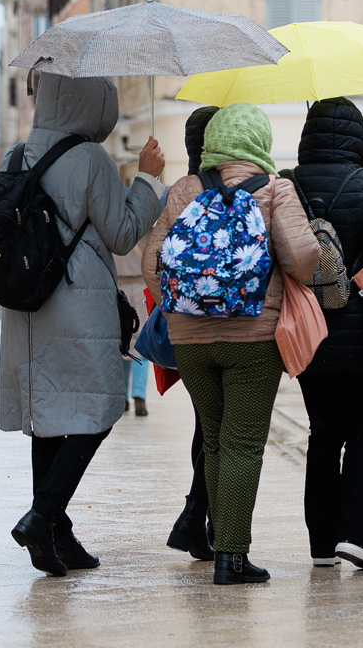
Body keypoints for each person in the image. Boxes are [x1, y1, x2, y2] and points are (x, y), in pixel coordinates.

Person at [142, 103, 319, 585]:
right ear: (259, 141)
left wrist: (183, 311)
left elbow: (152, 263)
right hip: (253, 338)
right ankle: (232, 557)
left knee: (216, 439)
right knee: (242, 443)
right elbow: (303, 259)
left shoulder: (185, 190)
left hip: (190, 341)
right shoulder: (274, 188)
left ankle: (224, 541)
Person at [1, 74, 165, 577]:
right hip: (77, 298)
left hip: (28, 304)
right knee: (103, 405)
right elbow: (122, 234)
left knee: (47, 414)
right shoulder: (91, 158)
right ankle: (42, 517)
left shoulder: (16, 155)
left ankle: (56, 533)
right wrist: (148, 181)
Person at [280, 97, 363, 570]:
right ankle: (358, 535)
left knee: (322, 433)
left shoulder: (287, 184)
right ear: (359, 138)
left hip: (307, 329)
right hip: (362, 331)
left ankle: (322, 545)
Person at [165, 105, 219, 561]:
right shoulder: (235, 188)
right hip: (233, 325)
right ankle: (199, 517)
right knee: (224, 430)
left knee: (207, 424)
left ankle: (203, 522)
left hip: (185, 327)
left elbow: (156, 262)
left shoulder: (180, 191)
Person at [114, 238, 150, 416]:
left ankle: (123, 396)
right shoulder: (146, 226)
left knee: (121, 341)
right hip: (142, 284)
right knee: (141, 342)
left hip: (117, 286)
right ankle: (139, 395)